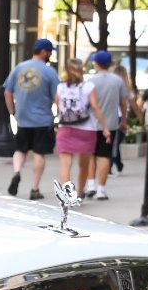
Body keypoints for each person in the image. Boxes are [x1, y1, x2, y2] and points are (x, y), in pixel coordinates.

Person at [2, 38, 59, 200]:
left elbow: (7, 91)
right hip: (43, 120)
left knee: (20, 150)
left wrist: (12, 111)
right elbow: (57, 96)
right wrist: (61, 114)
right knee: (40, 153)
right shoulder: (49, 72)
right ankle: (34, 188)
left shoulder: (19, 68)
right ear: (43, 52)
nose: (50, 55)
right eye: (49, 52)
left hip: (23, 119)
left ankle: (17, 172)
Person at [83, 49, 135, 201]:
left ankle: (90, 185)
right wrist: (123, 121)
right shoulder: (117, 81)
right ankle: (101, 189)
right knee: (105, 155)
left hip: (91, 124)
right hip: (111, 123)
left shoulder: (91, 81)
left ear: (97, 63)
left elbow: (85, 104)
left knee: (91, 155)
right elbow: (123, 103)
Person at [53, 59, 99, 195]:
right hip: (86, 128)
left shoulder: (61, 87)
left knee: (65, 164)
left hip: (65, 128)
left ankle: (67, 195)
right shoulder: (88, 86)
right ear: (81, 70)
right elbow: (95, 107)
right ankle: (79, 192)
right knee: (84, 165)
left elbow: (57, 105)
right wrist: (105, 127)